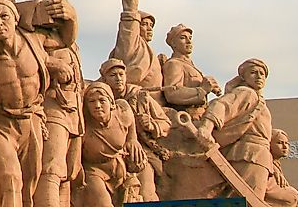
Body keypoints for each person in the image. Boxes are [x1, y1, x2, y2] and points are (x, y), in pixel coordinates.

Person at [0, 0, 75, 207]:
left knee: (30, 182)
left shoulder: (34, 40)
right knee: (8, 175)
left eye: (4, 16)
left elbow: (64, 40)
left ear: (15, 18)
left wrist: (72, 17)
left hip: (31, 122)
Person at [31, 0, 83, 207]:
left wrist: (73, 21)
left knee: (68, 173)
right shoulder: (35, 35)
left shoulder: (70, 43)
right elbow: (29, 56)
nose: (53, 2)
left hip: (74, 112)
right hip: (53, 106)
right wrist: (53, 63)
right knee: (51, 169)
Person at [195, 58, 275, 201]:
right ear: (243, 77)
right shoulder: (247, 93)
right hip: (250, 154)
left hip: (259, 156)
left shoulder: (258, 98)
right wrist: (206, 127)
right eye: (253, 72)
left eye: (262, 74)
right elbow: (222, 105)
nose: (259, 76)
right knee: (247, 200)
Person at [98, 58, 171, 201]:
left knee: (146, 191)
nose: (118, 79)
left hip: (141, 153)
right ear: (105, 79)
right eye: (113, 75)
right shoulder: (99, 98)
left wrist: (151, 125)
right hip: (109, 153)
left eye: (121, 74)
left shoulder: (139, 96)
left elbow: (165, 123)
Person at [79, 82, 146, 207]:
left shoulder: (122, 113)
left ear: (111, 104)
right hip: (94, 172)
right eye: (91, 102)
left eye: (102, 100)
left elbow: (130, 117)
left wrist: (132, 139)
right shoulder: (83, 125)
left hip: (120, 169)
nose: (97, 105)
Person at [161, 24, 220, 118]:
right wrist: (202, 90)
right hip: (188, 117)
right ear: (173, 43)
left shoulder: (190, 65)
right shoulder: (174, 64)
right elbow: (172, 93)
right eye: (183, 38)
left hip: (202, 113)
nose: (188, 42)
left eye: (190, 38)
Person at [267, 129, 298, 207]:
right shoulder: (266, 162)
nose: (285, 147)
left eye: (286, 143)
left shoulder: (276, 164)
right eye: (279, 143)